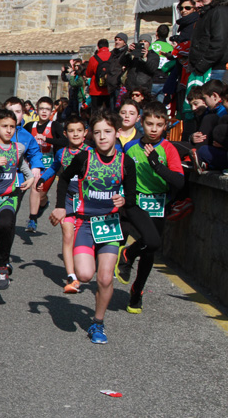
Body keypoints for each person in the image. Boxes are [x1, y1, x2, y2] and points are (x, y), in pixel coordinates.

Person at [49, 110, 138, 344]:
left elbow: (132, 196)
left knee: (106, 279)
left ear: (117, 133)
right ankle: (90, 268)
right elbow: (64, 178)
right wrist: (60, 207)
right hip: (86, 223)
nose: (102, 137)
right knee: (86, 275)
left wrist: (124, 201)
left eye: (107, 132)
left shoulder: (125, 161)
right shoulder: (84, 158)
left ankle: (98, 323)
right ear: (92, 135)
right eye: (97, 132)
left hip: (109, 225)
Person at [118, 102, 183, 313]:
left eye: (159, 124)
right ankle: (127, 255)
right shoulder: (130, 147)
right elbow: (122, 174)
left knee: (151, 249)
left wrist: (157, 165)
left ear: (165, 126)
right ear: (141, 123)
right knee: (152, 241)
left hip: (158, 203)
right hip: (136, 201)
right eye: (149, 124)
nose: (154, 129)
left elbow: (179, 181)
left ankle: (137, 291)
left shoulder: (168, 149)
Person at [0, 109, 34, 290]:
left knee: (6, 225)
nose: (9, 130)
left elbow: (24, 167)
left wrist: (30, 179)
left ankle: (3, 265)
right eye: (5, 126)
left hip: (10, 196)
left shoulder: (18, 148)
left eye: (12, 127)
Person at [36, 115, 90, 293]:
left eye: (79, 131)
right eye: (72, 131)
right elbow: (53, 167)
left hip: (86, 201)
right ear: (65, 134)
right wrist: (43, 179)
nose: (75, 134)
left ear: (85, 133)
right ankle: (71, 276)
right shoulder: (61, 153)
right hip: (66, 199)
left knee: (82, 237)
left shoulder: (91, 153)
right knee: (67, 234)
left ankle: (84, 262)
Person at [24, 96, 65, 233]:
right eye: (41, 108)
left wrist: (47, 139)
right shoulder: (30, 126)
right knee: (36, 187)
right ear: (37, 110)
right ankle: (32, 219)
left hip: (50, 166)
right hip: (34, 165)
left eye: (47, 109)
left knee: (41, 194)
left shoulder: (55, 126)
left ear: (52, 111)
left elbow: (65, 142)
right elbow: (19, 136)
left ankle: (44, 203)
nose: (44, 112)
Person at [188, 0, 228, 83]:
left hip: (213, 69)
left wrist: (202, 65)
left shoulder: (220, 11)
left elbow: (219, 42)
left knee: (212, 99)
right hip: (206, 68)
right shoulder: (208, 12)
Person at [86, 38, 116, 110]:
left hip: (96, 90)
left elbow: (88, 73)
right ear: (108, 47)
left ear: (98, 47)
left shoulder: (93, 58)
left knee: (96, 113)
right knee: (108, 112)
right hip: (109, 89)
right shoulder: (113, 57)